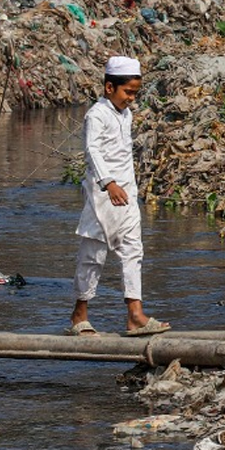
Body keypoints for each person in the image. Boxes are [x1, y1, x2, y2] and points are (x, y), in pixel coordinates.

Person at [71, 55, 170, 337]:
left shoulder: (125, 115)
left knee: (133, 251)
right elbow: (93, 151)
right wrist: (109, 183)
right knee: (93, 254)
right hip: (102, 196)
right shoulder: (97, 114)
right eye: (127, 92)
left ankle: (135, 314)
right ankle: (80, 315)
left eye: (135, 93)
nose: (131, 98)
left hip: (126, 193)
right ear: (109, 88)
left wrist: (125, 187)